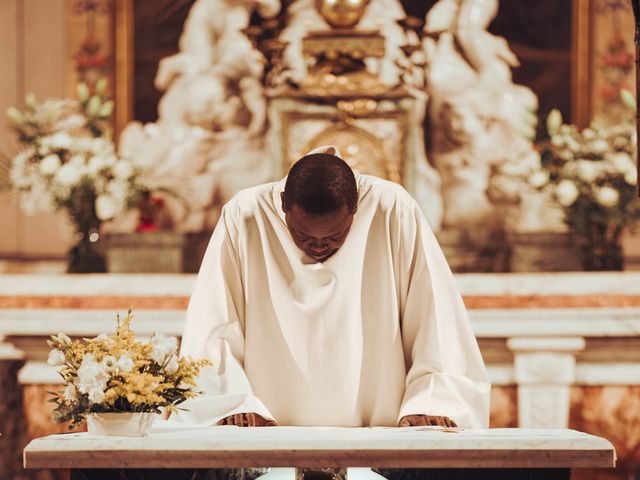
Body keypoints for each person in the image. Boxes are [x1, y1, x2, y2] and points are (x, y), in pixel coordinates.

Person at [174, 145, 490, 430]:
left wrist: (431, 402)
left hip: (378, 434)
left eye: (335, 235)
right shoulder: (245, 215)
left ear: (355, 207)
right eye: (304, 236)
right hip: (267, 436)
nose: (320, 246)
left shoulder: (392, 209)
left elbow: (435, 314)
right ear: (284, 203)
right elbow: (213, 323)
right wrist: (231, 403)